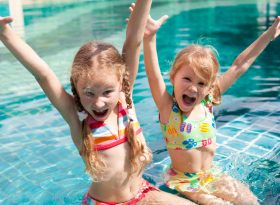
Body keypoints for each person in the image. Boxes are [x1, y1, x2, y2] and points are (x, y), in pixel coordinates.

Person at [0, 1, 196, 205]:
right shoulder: (79, 119)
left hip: (142, 193)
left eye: (107, 92)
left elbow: (133, 42)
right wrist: (5, 33)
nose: (99, 102)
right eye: (89, 93)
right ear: (76, 88)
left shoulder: (124, 100)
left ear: (121, 83)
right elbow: (43, 74)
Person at [139, 3, 280, 205]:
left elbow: (240, 65)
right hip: (184, 181)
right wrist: (149, 37)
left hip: (212, 175)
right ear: (172, 78)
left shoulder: (208, 101)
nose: (194, 88)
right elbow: (152, 75)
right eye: (187, 79)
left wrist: (267, 35)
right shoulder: (168, 109)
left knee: (250, 200)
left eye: (201, 83)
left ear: (209, 87)